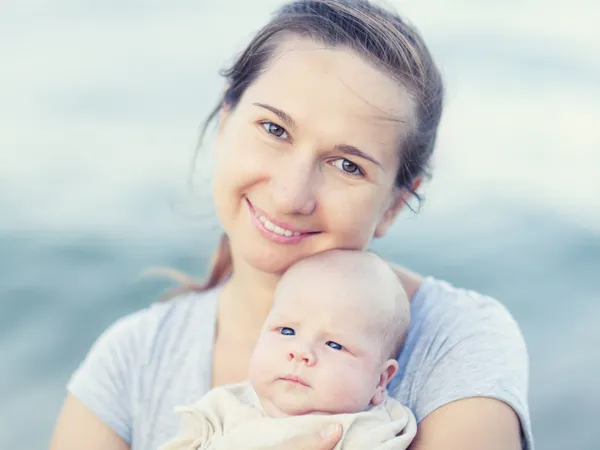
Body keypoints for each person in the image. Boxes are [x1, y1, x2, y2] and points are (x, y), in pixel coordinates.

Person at [49, 1, 533, 449]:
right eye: (274, 130)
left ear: (393, 205)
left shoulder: (456, 340)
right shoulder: (133, 360)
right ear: (226, 121)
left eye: (347, 165)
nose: (289, 194)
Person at [159, 249, 416, 450]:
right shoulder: (220, 409)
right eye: (287, 331)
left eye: (334, 345)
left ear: (381, 380)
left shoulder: (375, 430)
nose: (301, 352)